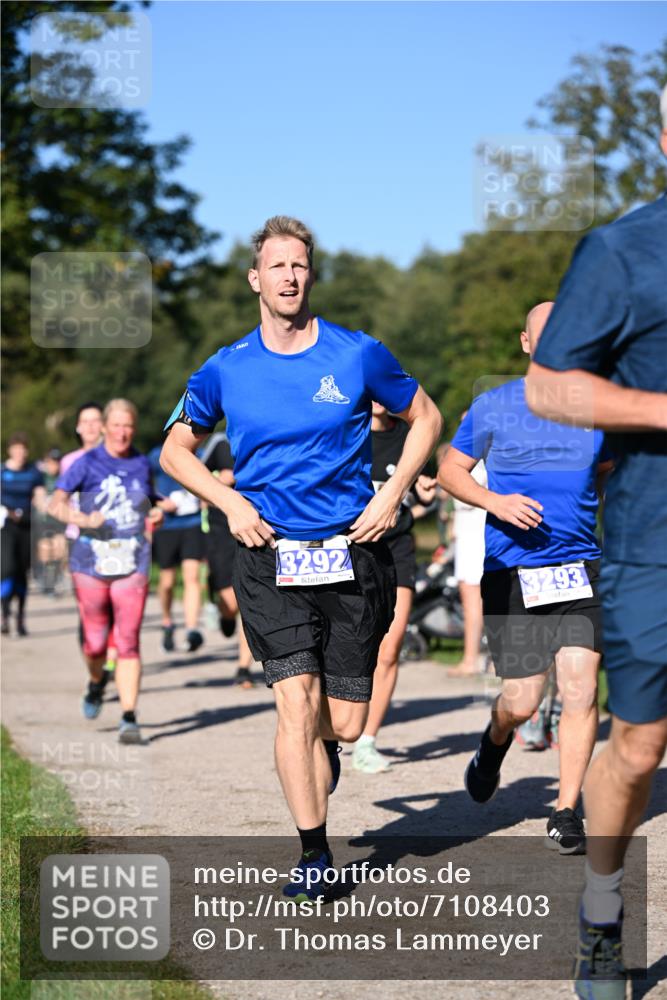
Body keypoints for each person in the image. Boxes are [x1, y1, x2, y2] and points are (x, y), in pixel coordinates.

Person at [161, 215, 442, 895]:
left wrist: (392, 494)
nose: (289, 275)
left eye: (299, 265)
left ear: (309, 276)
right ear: (256, 279)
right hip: (266, 553)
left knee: (340, 722)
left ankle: (321, 754)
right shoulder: (225, 368)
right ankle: (313, 854)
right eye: (276, 265)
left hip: (351, 550)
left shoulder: (355, 354)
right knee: (295, 700)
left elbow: (426, 417)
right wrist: (230, 504)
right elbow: (174, 450)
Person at [524, 89, 667, 1000]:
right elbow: (548, 389)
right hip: (654, 538)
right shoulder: (620, 250)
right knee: (641, 745)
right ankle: (604, 913)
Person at [438, 301, 613, 856]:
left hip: (579, 569)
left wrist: (582, 519)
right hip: (512, 572)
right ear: (526, 343)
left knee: (582, 688)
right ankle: (493, 745)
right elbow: (449, 471)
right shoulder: (494, 406)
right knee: (522, 701)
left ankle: (566, 810)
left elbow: (608, 471)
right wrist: (497, 502)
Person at [49, 399, 163, 743]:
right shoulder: (86, 463)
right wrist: (83, 519)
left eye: (128, 425)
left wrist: (155, 514)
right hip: (90, 561)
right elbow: (55, 504)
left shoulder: (142, 463)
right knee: (96, 642)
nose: (123, 432)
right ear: (104, 428)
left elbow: (145, 502)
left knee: (128, 639)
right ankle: (97, 681)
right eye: (116, 425)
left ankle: (129, 716)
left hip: (132, 560)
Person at [352, 402, 437, 773]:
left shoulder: (409, 437)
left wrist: (428, 491)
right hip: (350, 550)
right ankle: (334, 729)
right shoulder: (346, 434)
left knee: (391, 646)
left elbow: (426, 490)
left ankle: (366, 742)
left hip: (397, 549)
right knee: (348, 643)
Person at [199, 432, 255, 687]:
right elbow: (193, 474)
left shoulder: (262, 434)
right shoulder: (220, 442)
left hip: (256, 523)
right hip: (221, 527)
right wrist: (219, 482)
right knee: (231, 603)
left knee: (249, 599)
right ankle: (225, 613)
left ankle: (243, 667)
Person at [148, 445, 205, 653]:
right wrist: (160, 501)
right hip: (166, 525)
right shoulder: (157, 454)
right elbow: (142, 483)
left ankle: (191, 629)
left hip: (193, 523)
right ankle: (167, 621)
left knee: (192, 577)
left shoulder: (200, 453)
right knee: (167, 582)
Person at [447, 420, 487, 677]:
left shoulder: (481, 462)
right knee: (477, 598)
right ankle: (477, 657)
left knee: (474, 599)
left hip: (477, 535)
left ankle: (472, 658)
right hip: (466, 533)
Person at [1, 432, 46, 635]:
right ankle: (4, 614)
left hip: (26, 526)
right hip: (5, 527)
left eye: (23, 449)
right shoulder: (2, 472)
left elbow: (40, 498)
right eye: (17, 449)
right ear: (11, 450)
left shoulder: (33, 472)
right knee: (7, 568)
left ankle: (20, 617)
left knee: (21, 572)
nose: (20, 453)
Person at [34, 447, 68, 595]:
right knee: (45, 551)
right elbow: (36, 498)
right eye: (51, 461)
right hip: (43, 520)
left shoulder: (64, 477)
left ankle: (54, 578)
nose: (53, 465)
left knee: (59, 550)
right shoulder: (40, 477)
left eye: (56, 462)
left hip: (59, 519)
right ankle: (45, 580)